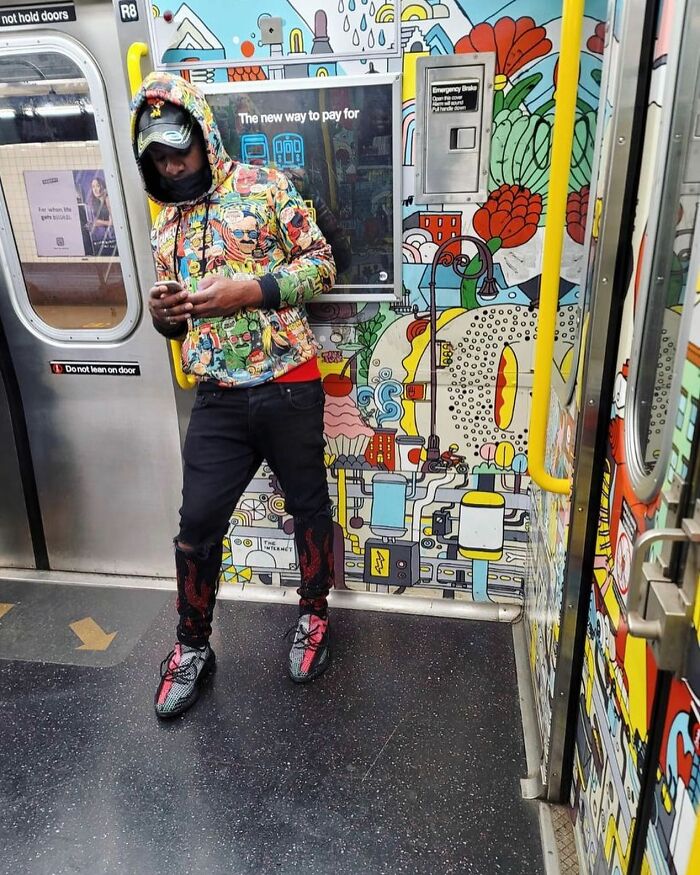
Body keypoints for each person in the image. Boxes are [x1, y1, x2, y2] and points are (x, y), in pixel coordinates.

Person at [131, 72, 337, 719]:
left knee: (308, 506)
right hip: (218, 395)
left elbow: (321, 263)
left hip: (289, 381)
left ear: (202, 136)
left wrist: (248, 290)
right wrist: (165, 313)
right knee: (196, 527)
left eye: (178, 150)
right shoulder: (166, 227)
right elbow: (172, 319)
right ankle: (193, 646)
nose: (170, 164)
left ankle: (314, 616)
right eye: (158, 157)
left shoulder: (266, 189)